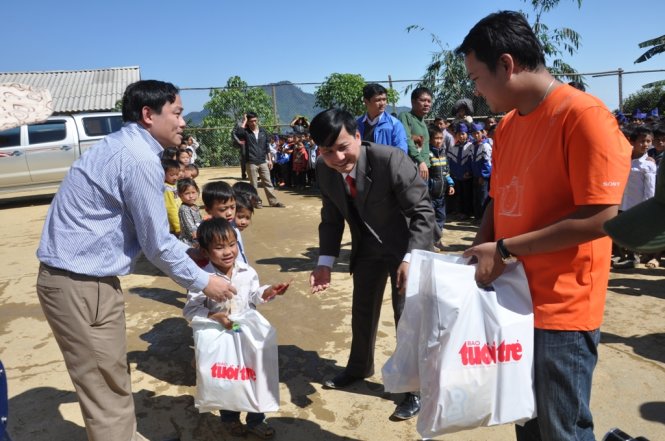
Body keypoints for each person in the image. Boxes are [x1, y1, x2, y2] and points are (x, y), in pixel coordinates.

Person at [456, 11, 631, 441]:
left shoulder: (583, 116)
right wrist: (479, 251)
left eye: (477, 78)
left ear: (507, 65)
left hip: (563, 307)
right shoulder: (509, 126)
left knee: (562, 429)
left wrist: (504, 250)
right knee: (527, 420)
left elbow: (602, 217)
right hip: (515, 297)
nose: (475, 91)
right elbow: (498, 199)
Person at [35, 79, 236, 441]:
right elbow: (158, 243)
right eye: (176, 113)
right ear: (148, 114)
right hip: (79, 284)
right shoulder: (139, 158)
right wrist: (205, 281)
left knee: (109, 375)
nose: (183, 122)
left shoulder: (121, 146)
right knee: (103, 383)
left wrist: (188, 260)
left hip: (85, 280)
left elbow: (133, 238)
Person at [308, 108, 439, 421]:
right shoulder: (325, 171)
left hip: (406, 248)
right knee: (362, 310)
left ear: (357, 136)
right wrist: (325, 261)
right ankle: (358, 368)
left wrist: (412, 257)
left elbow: (424, 212)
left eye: (343, 147)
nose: (337, 157)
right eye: (327, 151)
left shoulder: (390, 159)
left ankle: (414, 390)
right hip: (366, 249)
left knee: (407, 319)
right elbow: (331, 217)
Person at [183, 218, 289, 439]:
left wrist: (268, 291)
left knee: (253, 375)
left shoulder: (246, 271)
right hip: (219, 335)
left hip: (245, 331)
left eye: (231, 244)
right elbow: (190, 311)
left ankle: (256, 420)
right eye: (219, 247)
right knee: (228, 378)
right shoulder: (203, 279)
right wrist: (215, 316)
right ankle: (230, 418)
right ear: (204, 251)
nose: (228, 251)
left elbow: (253, 296)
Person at [613, 125, 657, 269]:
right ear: (632, 142)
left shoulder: (648, 164)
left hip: (636, 204)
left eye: (648, 141)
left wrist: (647, 207)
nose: (645, 145)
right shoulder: (624, 158)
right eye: (642, 141)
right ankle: (621, 255)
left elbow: (650, 189)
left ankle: (633, 258)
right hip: (621, 202)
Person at [234, 112, 285, 207]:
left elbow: (267, 147)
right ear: (248, 122)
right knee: (253, 185)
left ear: (257, 120)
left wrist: (269, 160)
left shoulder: (263, 131)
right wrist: (244, 121)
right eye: (251, 121)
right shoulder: (245, 132)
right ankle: (256, 202)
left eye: (255, 120)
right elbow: (238, 133)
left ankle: (273, 202)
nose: (253, 123)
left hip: (263, 161)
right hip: (251, 161)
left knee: (268, 182)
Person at [356, 83, 408, 154]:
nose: (382, 103)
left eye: (384, 99)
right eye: (378, 100)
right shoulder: (357, 125)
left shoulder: (394, 125)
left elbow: (401, 153)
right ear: (366, 101)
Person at [428, 125, 455, 249]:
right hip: (430, 194)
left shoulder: (443, 154)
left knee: (441, 217)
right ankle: (431, 242)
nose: (439, 141)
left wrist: (450, 184)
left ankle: (437, 241)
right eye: (436, 138)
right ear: (430, 139)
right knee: (430, 219)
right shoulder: (427, 154)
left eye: (441, 138)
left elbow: (446, 172)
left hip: (441, 194)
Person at [398, 87, 433, 181]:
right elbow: (406, 139)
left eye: (429, 101)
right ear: (413, 101)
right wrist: (420, 161)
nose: (426, 104)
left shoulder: (422, 122)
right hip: (412, 169)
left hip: (424, 170)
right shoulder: (405, 116)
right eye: (423, 100)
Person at [469, 122, 492, 220]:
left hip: (482, 177)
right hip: (475, 175)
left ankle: (484, 218)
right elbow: (470, 161)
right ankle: (477, 216)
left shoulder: (485, 146)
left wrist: (483, 176)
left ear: (482, 132)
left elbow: (487, 163)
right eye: (474, 133)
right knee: (476, 197)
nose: (476, 135)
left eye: (478, 133)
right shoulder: (472, 146)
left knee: (483, 197)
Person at [178, 178, 203, 246]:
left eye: (193, 192)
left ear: (197, 191)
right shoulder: (184, 209)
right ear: (180, 195)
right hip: (190, 243)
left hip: (198, 237)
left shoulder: (194, 206)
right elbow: (190, 228)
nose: (191, 196)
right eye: (187, 193)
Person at [163, 159, 182, 235]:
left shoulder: (173, 185)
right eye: (171, 175)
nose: (175, 177)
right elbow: (170, 208)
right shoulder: (167, 189)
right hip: (173, 227)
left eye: (177, 174)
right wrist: (177, 227)